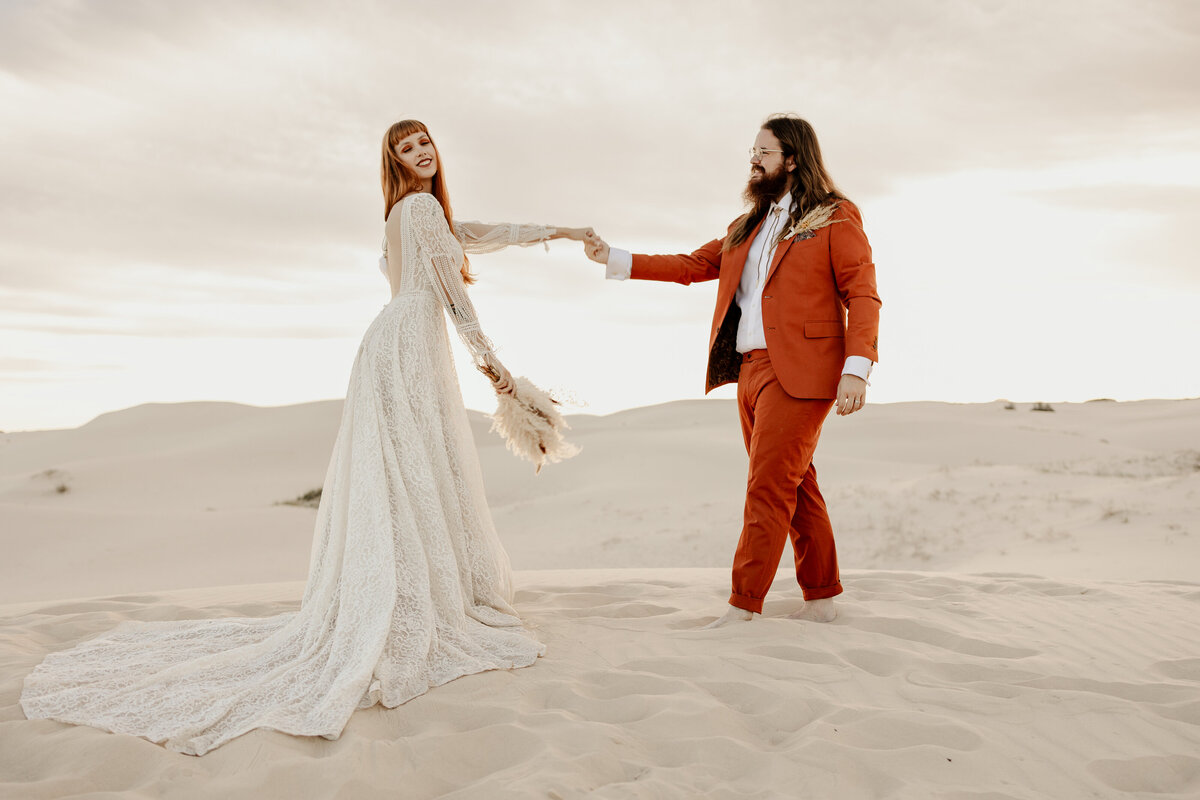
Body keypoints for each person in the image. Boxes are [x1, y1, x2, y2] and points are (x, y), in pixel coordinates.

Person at [20, 119, 596, 755]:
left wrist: (564, 231)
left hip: (392, 346)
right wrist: (497, 372)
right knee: (408, 474)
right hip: (407, 348)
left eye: (423, 141)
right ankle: (409, 607)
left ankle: (414, 594)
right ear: (396, 164)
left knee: (404, 476)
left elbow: (482, 237)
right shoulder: (419, 206)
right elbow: (453, 297)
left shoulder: (416, 214)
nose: (419, 152)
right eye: (405, 148)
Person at [585, 114, 881, 628]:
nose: (754, 159)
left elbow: (862, 291)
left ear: (792, 158)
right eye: (753, 151)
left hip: (803, 374)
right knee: (795, 484)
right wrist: (616, 258)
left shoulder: (834, 216)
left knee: (766, 488)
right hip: (749, 373)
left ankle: (744, 607)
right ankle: (822, 598)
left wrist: (858, 368)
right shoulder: (746, 225)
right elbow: (690, 266)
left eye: (764, 152)